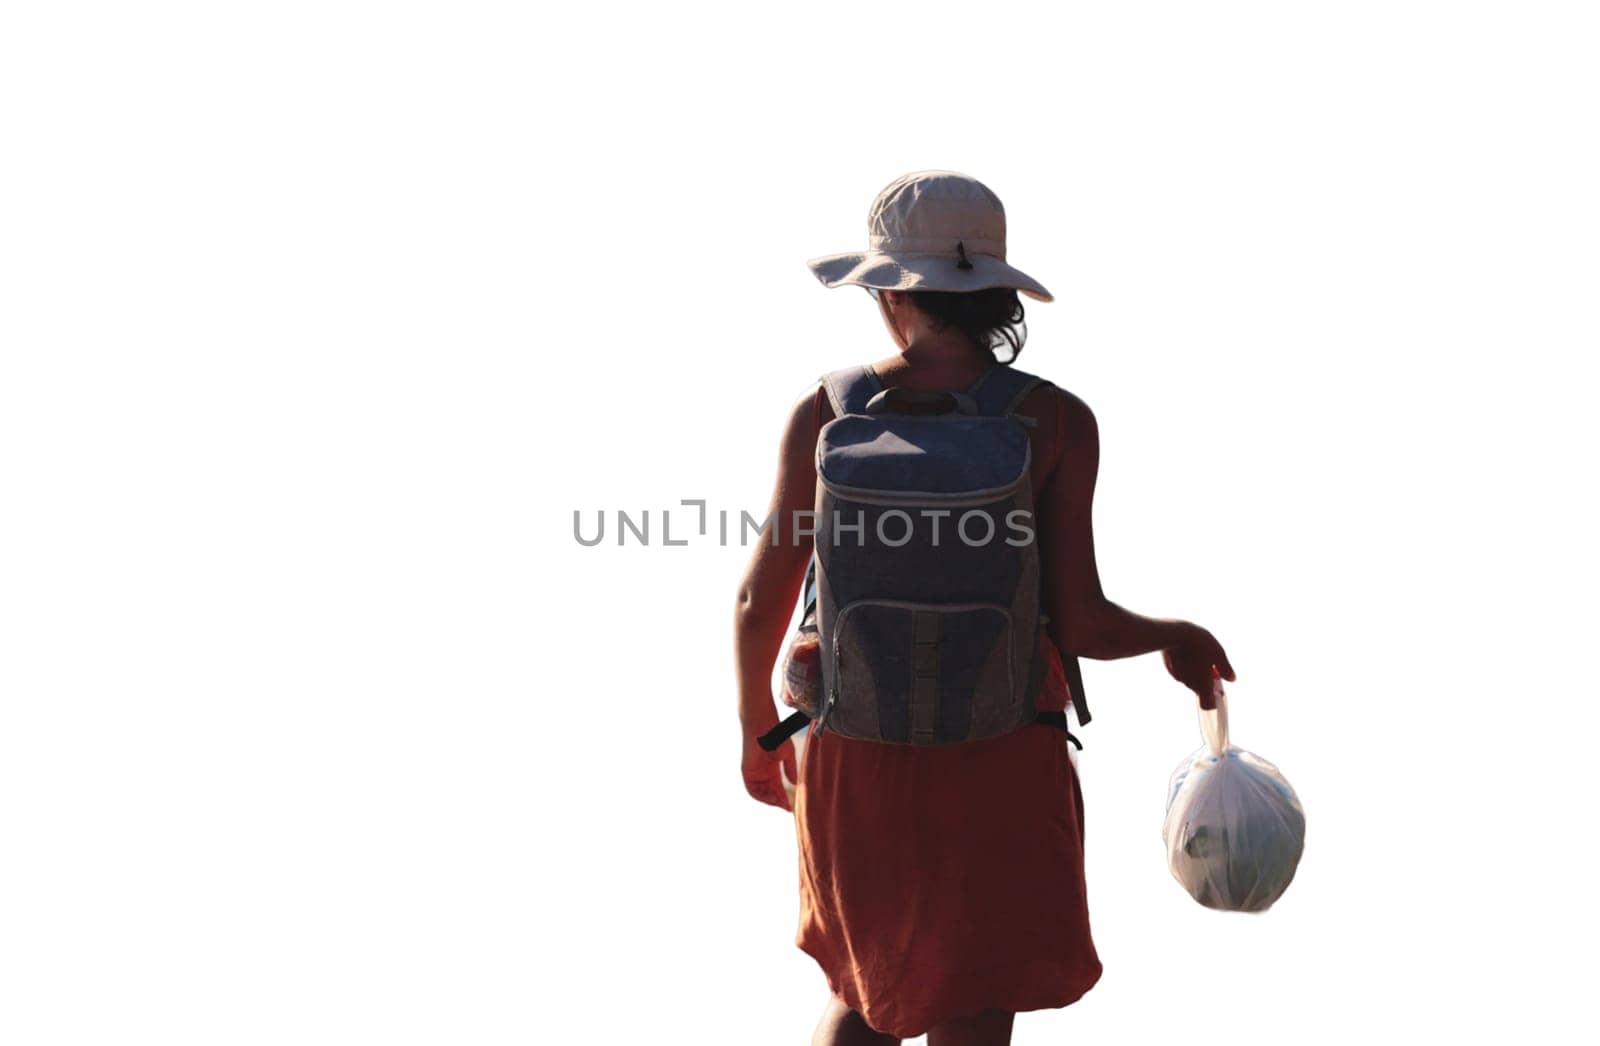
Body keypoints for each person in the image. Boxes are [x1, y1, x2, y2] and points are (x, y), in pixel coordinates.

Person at [733, 171, 1235, 1046]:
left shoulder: (825, 412)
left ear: (889, 290)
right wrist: (1174, 637)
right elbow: (1080, 620)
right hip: (1000, 748)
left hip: (856, 755)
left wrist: (755, 736)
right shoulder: (1055, 421)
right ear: (995, 290)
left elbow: (755, 601)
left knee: (865, 986)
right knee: (975, 998)